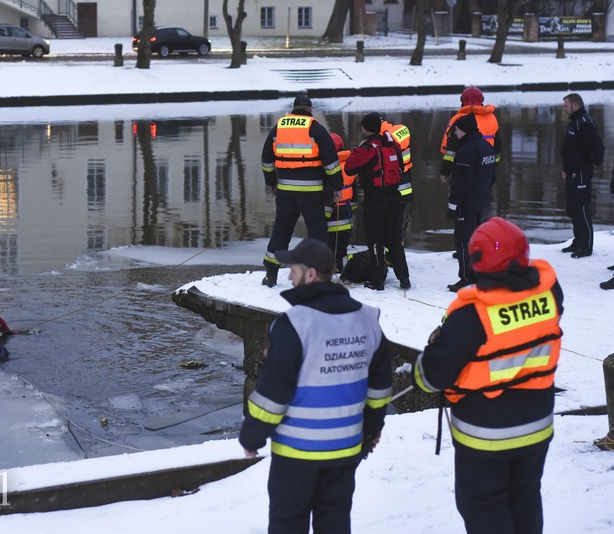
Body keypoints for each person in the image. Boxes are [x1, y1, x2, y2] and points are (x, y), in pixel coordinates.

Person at [415, 217, 563, 534]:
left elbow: (434, 375)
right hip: (537, 427)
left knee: (484, 508)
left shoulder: (471, 315)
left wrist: (418, 368)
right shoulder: (550, 294)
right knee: (524, 501)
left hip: (485, 436)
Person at [239, 238, 392, 534]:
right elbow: (380, 387)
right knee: (335, 523)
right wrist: (371, 430)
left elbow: (273, 393)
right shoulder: (367, 319)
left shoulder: (294, 324)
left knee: (288, 524)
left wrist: (252, 436)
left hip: (298, 452)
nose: (288, 277)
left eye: (293, 270)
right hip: (346, 448)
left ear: (309, 275)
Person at [260, 95, 343, 287]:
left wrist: (272, 182)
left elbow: (266, 159)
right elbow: (331, 163)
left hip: (285, 191)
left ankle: (271, 275)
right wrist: (337, 186)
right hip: (311, 191)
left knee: (281, 231)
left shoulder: (278, 128)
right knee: (317, 232)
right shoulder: (315, 129)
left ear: (294, 108)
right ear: (310, 110)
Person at [344, 112, 411, 291]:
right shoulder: (392, 145)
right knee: (395, 240)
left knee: (375, 241)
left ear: (365, 129)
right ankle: (404, 278)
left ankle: (377, 280)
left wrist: (356, 150)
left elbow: (349, 168)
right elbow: (401, 167)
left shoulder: (368, 148)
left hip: (375, 199)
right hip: (394, 197)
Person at [446, 113, 496, 292]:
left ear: (465, 130)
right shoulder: (487, 147)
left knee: (463, 241)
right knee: (478, 240)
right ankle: (478, 274)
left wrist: (453, 205)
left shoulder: (466, 151)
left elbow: (460, 183)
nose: (456, 134)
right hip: (482, 202)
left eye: (457, 130)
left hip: (466, 204)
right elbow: (492, 176)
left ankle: (466, 277)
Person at [561, 93, 606, 258]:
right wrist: (566, 169)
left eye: (566, 105)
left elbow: (597, 147)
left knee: (581, 209)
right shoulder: (574, 123)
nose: (564, 109)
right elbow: (570, 150)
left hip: (581, 174)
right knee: (573, 209)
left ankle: (586, 246)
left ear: (575, 105)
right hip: (572, 173)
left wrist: (591, 164)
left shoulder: (584, 123)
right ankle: (578, 241)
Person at [439, 85, 501, 183]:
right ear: (482, 100)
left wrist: (445, 171)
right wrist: (494, 166)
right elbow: (498, 146)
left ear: (462, 100)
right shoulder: (492, 119)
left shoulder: (458, 120)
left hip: (463, 169)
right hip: (486, 168)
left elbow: (450, 149)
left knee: (460, 196)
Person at [325, 132, 356, 274]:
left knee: (330, 245)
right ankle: (343, 272)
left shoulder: (326, 167)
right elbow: (354, 194)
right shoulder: (350, 164)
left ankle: (331, 271)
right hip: (346, 212)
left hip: (331, 212)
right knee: (343, 247)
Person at [380, 117, 414, 236]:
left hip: (394, 180)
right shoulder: (402, 129)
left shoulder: (384, 138)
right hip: (406, 179)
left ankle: (391, 248)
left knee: (391, 219)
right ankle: (399, 244)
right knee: (399, 216)